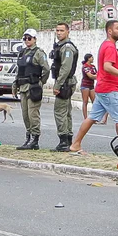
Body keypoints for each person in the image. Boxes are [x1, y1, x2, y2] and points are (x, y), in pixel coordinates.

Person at [69, 20, 118, 155]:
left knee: (92, 117)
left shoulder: (105, 45)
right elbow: (107, 67)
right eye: (117, 28)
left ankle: (76, 144)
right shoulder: (110, 47)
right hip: (109, 89)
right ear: (109, 31)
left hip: (102, 88)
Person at [14, 28, 49, 150]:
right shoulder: (22, 52)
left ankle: (35, 138)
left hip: (33, 87)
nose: (27, 41)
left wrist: (40, 82)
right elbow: (19, 71)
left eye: (29, 38)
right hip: (23, 86)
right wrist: (15, 84)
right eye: (25, 38)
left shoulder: (39, 53)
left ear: (35, 39)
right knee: (25, 114)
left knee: (33, 114)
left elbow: (46, 69)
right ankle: (28, 137)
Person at [48, 23, 79, 151]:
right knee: (66, 112)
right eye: (57, 30)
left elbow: (65, 68)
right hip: (66, 82)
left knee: (60, 112)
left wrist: (58, 85)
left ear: (67, 32)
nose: (59, 33)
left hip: (65, 83)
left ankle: (63, 141)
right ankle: (68, 140)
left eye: (61, 30)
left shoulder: (67, 48)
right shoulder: (61, 46)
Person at [79, 54, 97, 119]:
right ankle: (85, 117)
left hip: (91, 85)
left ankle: (94, 117)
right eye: (92, 57)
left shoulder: (93, 66)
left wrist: (96, 76)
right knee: (85, 101)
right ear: (88, 58)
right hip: (85, 85)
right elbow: (90, 76)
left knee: (94, 101)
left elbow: (96, 74)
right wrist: (97, 76)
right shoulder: (85, 66)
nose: (93, 59)